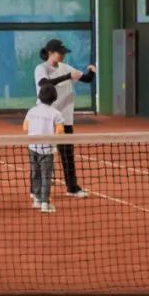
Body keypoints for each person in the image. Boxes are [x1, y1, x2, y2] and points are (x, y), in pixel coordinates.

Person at [34, 39, 95, 199]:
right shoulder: (41, 68)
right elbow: (44, 84)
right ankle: (36, 190)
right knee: (40, 155)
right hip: (46, 119)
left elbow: (86, 79)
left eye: (63, 53)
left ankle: (72, 188)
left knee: (68, 155)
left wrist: (92, 71)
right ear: (50, 52)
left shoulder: (66, 67)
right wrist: (67, 76)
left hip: (65, 119)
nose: (62, 55)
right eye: (60, 53)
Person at [24, 83, 65, 214]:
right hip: (47, 149)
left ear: (40, 96)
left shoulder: (32, 111)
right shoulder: (56, 113)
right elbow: (60, 131)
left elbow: (25, 127)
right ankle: (45, 203)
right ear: (54, 98)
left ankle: (36, 199)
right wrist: (55, 142)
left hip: (32, 147)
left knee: (35, 173)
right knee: (46, 176)